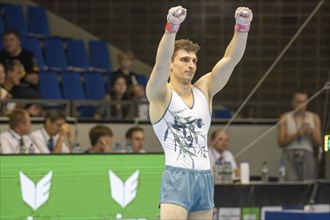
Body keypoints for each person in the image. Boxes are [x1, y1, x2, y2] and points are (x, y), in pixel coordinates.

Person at [146, 5, 252, 219]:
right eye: (185, 60)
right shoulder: (160, 94)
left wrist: (242, 27)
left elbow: (231, 60)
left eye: (194, 61)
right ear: (171, 65)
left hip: (204, 177)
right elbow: (159, 64)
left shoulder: (205, 89)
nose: (192, 65)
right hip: (177, 177)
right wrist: (171, 28)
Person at [277, 91, 322, 181]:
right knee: (290, 184)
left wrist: (312, 133)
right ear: (293, 103)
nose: (302, 105)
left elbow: (319, 143)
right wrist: (298, 134)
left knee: (308, 184)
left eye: (304, 102)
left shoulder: (314, 118)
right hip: (290, 154)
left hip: (307, 154)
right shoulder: (285, 117)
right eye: (299, 102)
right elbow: (280, 142)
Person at [0, 29, 40, 99]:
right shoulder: (1, 56)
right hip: (5, 88)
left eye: (11, 40)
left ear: (19, 42)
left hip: (25, 89)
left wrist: (21, 74)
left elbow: (35, 80)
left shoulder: (29, 56)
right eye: (5, 40)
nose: (8, 43)